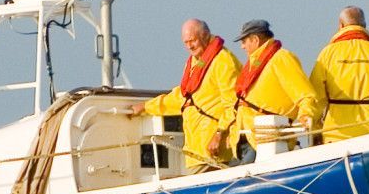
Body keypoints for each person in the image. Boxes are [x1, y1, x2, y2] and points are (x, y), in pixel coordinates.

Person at [129, 18, 241, 170]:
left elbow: (234, 103)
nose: (189, 46)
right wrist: (146, 107)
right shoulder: (195, 62)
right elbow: (182, 98)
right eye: (185, 42)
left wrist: (219, 134)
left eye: (193, 40)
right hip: (196, 151)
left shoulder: (223, 61)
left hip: (215, 150)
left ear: (206, 35)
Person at [310, 6, 369, 143]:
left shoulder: (327, 54)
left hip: (336, 134)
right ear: (365, 26)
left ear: (341, 25)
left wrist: (316, 130)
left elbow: (315, 97)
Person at [230, 19, 321, 163]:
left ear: (255, 39)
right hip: (246, 138)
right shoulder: (253, 63)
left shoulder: (281, 58)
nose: (242, 46)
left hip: (266, 140)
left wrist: (306, 114)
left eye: (244, 41)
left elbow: (306, 95)